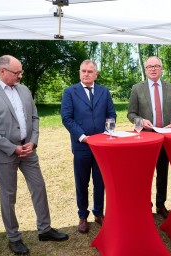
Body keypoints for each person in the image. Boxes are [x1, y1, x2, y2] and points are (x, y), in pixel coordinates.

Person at [0, 55, 68, 255]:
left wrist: (33, 141)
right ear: (2, 71)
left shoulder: (24, 90)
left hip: (29, 150)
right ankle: (14, 238)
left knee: (39, 187)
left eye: (21, 72)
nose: (20, 76)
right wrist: (12, 147)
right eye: (16, 72)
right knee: (8, 197)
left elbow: (34, 117)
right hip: (4, 154)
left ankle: (44, 230)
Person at [61, 60, 116, 233]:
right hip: (81, 146)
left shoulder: (104, 92)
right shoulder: (70, 92)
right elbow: (67, 118)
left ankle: (98, 213)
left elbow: (111, 115)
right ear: (79, 72)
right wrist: (83, 137)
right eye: (83, 71)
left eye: (90, 71)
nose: (86, 74)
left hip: (101, 146)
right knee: (82, 182)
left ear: (96, 74)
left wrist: (107, 132)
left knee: (100, 181)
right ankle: (82, 216)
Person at [127, 56, 171, 219]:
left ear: (161, 68)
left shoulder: (170, 88)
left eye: (156, 66)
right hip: (145, 139)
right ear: (145, 69)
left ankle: (160, 204)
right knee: (144, 174)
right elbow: (130, 113)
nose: (153, 69)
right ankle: (144, 205)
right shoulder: (137, 88)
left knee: (162, 172)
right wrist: (141, 121)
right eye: (149, 66)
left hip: (165, 137)